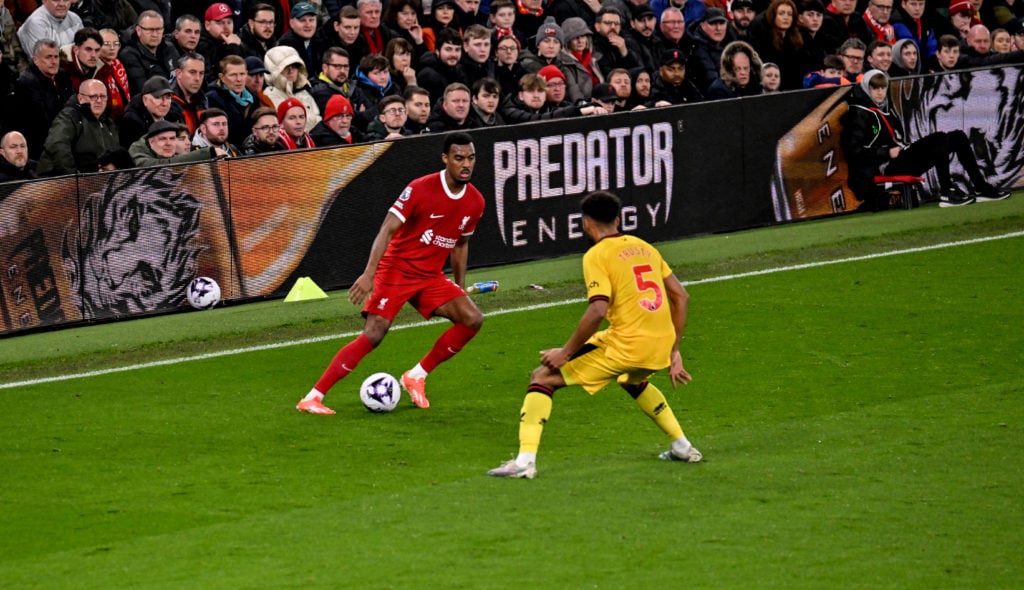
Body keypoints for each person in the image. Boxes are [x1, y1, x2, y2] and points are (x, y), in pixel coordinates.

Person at [487, 190, 702, 479]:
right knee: (631, 380)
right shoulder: (645, 247)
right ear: (617, 219)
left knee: (542, 377)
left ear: (586, 223)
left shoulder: (596, 255)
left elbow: (597, 311)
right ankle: (681, 446)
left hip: (627, 344)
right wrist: (674, 351)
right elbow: (681, 296)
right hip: (660, 345)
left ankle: (525, 462)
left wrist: (564, 354)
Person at [297, 132, 486, 414]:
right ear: (445, 159)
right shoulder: (420, 189)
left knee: (472, 319)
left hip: (429, 276)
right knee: (375, 333)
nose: (466, 164)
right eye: (459, 158)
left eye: (470, 158)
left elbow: (461, 245)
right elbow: (387, 228)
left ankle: (416, 376)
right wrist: (369, 273)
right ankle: (313, 397)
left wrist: (460, 286)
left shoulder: (475, 202)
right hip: (396, 270)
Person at [840, 69, 1011, 211]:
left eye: (883, 88)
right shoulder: (859, 114)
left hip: (899, 157)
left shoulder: (886, 109)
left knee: (957, 136)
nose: (879, 92)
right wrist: (886, 152)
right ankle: (946, 192)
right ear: (865, 89)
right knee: (938, 139)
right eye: (874, 88)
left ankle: (980, 187)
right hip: (883, 167)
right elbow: (852, 152)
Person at [37, 78, 119, 175]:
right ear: (81, 98)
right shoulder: (69, 117)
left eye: (103, 96)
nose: (99, 100)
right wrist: (75, 176)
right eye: (93, 96)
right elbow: (57, 146)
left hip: (96, 181)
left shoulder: (108, 123)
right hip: (58, 180)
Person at [9, 39, 74, 159]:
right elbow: (41, 120)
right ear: (36, 60)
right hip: (40, 146)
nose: (54, 61)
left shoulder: (64, 77)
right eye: (48, 57)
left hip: (64, 137)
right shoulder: (26, 83)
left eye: (56, 57)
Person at [263, 45, 322, 132]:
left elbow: (318, 121)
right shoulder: (269, 95)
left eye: (294, 66)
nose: (291, 71)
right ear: (274, 70)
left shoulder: (304, 92)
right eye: (286, 67)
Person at [118, 10, 179, 95]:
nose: (155, 34)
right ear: (138, 30)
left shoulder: (170, 48)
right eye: (150, 30)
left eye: (158, 29)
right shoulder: (129, 55)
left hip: (175, 102)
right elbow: (143, 91)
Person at [206, 54, 260, 146]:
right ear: (222, 77)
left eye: (242, 74)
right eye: (233, 75)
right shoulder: (212, 99)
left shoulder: (253, 99)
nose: (239, 79)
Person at [129, 119, 225, 166]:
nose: (168, 143)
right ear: (151, 142)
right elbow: (164, 164)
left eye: (172, 138)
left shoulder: (165, 151)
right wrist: (210, 152)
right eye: (162, 139)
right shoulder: (137, 153)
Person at [687, 7, 737, 94]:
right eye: (713, 23)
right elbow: (712, 81)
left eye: (722, 23)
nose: (718, 28)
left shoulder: (733, 43)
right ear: (702, 25)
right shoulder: (697, 49)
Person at [119, 75, 176, 148]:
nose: (165, 103)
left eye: (168, 97)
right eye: (158, 97)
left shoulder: (173, 115)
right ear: (145, 100)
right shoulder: (132, 122)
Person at [17, 0, 84, 54]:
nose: (61, 4)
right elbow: (42, 61)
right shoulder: (35, 23)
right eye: (56, 0)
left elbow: (84, 51)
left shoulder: (75, 19)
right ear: (44, 1)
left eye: (66, 0)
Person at [96, 28, 131, 121]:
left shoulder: (118, 64)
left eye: (116, 44)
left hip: (125, 114)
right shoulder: (95, 69)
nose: (112, 48)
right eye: (106, 44)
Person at [169, 52, 208, 135]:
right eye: (192, 72)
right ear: (179, 74)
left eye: (201, 73)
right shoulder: (167, 101)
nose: (197, 78)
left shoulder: (203, 99)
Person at [60, 27, 103, 92]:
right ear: (76, 50)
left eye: (97, 50)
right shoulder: (61, 69)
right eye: (88, 49)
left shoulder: (104, 68)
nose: (93, 55)